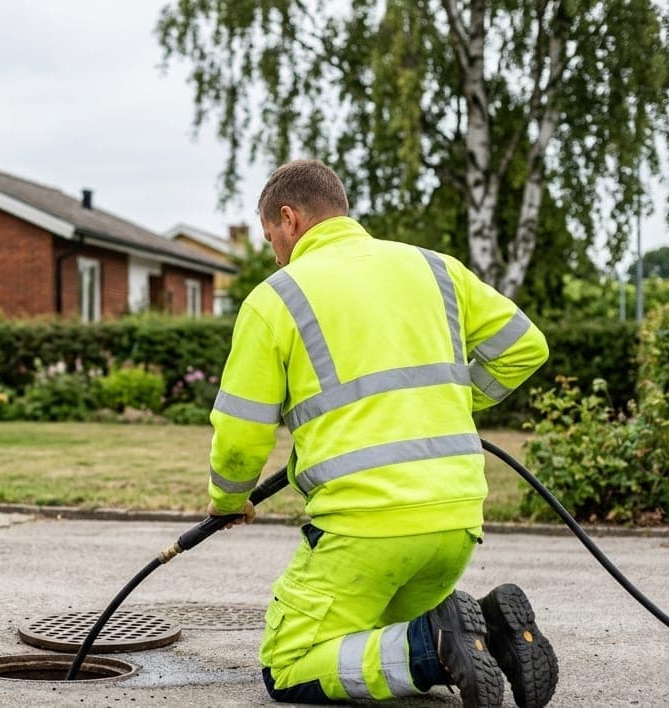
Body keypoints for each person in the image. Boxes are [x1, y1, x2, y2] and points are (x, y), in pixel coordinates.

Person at [206, 160, 558, 707]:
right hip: (457, 521)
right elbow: (524, 347)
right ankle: (495, 630)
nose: (274, 249)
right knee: (375, 637)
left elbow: (240, 431)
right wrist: (451, 402)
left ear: (289, 218)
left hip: (365, 529)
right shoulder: (436, 268)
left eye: (271, 234)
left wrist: (228, 500)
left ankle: (433, 648)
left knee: (289, 667)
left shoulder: (275, 297)